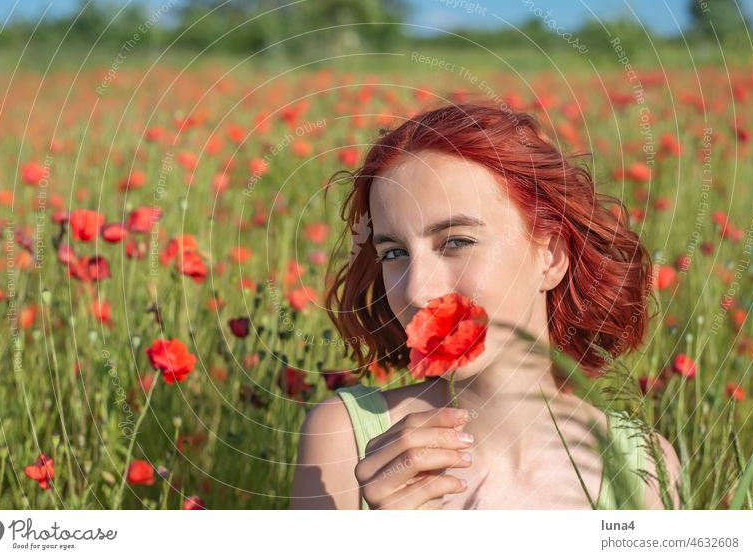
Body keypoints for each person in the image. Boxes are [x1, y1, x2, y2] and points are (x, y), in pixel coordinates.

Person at [290, 100, 682, 510]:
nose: (415, 292)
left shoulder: (643, 469)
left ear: (551, 257)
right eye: (393, 253)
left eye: (456, 241)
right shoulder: (347, 443)